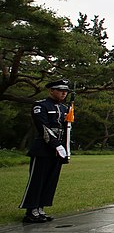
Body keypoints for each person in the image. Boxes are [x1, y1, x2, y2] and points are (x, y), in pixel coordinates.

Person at [19, 79, 71, 223]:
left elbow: (67, 130)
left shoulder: (65, 108)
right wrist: (56, 145)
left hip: (58, 150)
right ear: (51, 91)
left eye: (65, 91)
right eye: (60, 90)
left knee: (50, 180)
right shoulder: (40, 105)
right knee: (37, 180)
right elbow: (43, 127)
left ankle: (40, 208)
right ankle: (31, 209)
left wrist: (65, 149)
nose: (63, 93)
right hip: (43, 148)